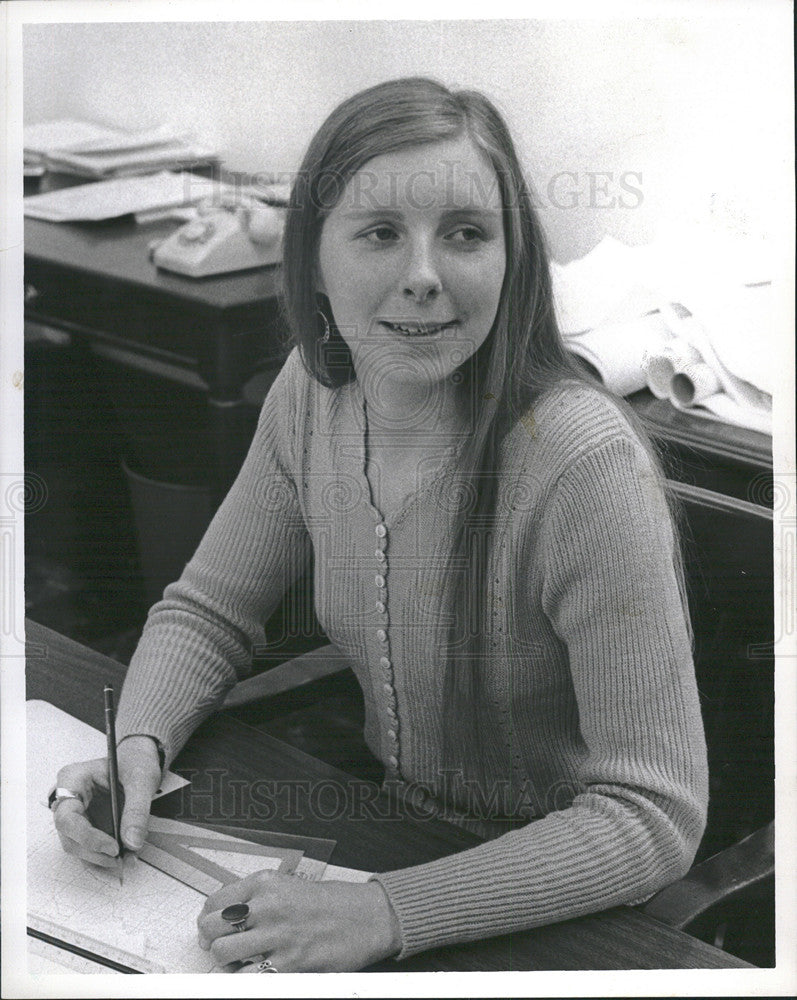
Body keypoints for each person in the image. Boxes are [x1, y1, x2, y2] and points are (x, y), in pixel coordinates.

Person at [51, 77, 709, 972]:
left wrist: (382, 914)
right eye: (380, 232)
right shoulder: (313, 394)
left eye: (466, 234)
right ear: (313, 258)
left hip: (556, 899)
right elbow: (209, 609)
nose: (425, 274)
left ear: (512, 259)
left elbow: (651, 819)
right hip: (390, 833)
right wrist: (137, 739)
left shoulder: (581, 465)